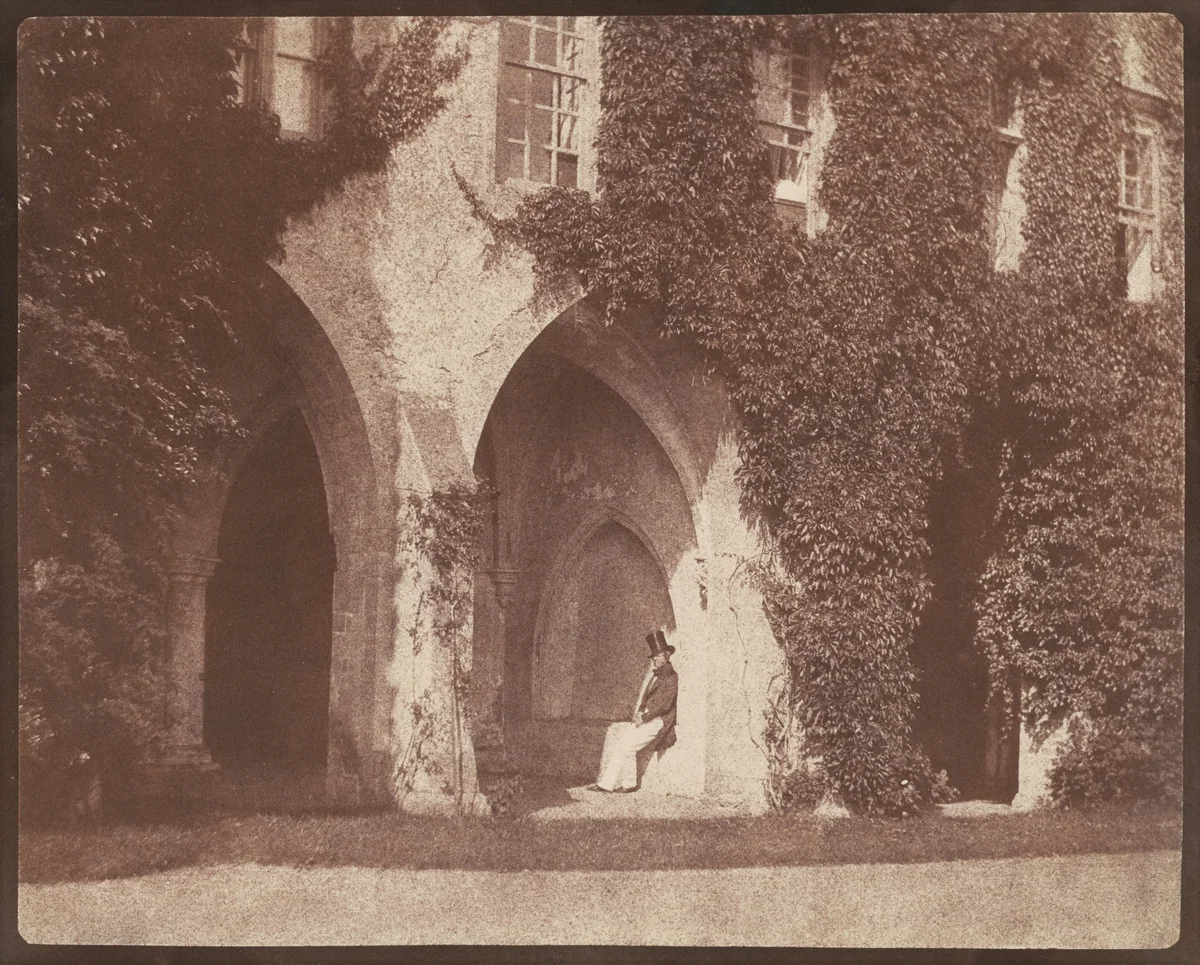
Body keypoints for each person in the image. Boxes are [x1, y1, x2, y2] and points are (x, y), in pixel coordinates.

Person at [590, 629, 678, 793]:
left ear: (667, 656)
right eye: (653, 657)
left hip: (659, 721)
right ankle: (605, 784)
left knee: (628, 748)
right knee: (620, 746)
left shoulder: (672, 677)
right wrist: (639, 714)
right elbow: (645, 700)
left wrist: (644, 717)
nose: (654, 660)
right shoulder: (655, 676)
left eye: (657, 656)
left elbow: (665, 706)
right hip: (645, 719)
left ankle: (629, 784)